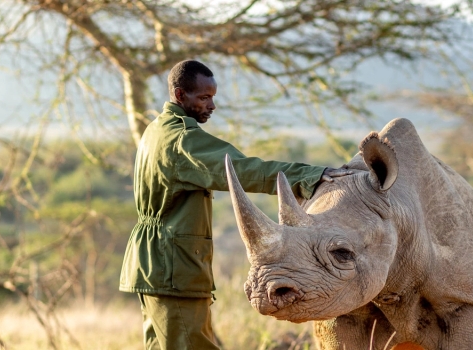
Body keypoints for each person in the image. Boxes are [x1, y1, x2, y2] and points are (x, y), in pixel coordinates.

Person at [119, 59, 351, 350]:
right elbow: (242, 169)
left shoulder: (156, 130)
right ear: (180, 96)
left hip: (155, 264)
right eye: (204, 98)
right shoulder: (182, 141)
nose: (211, 105)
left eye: (212, 97)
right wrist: (309, 176)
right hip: (172, 266)